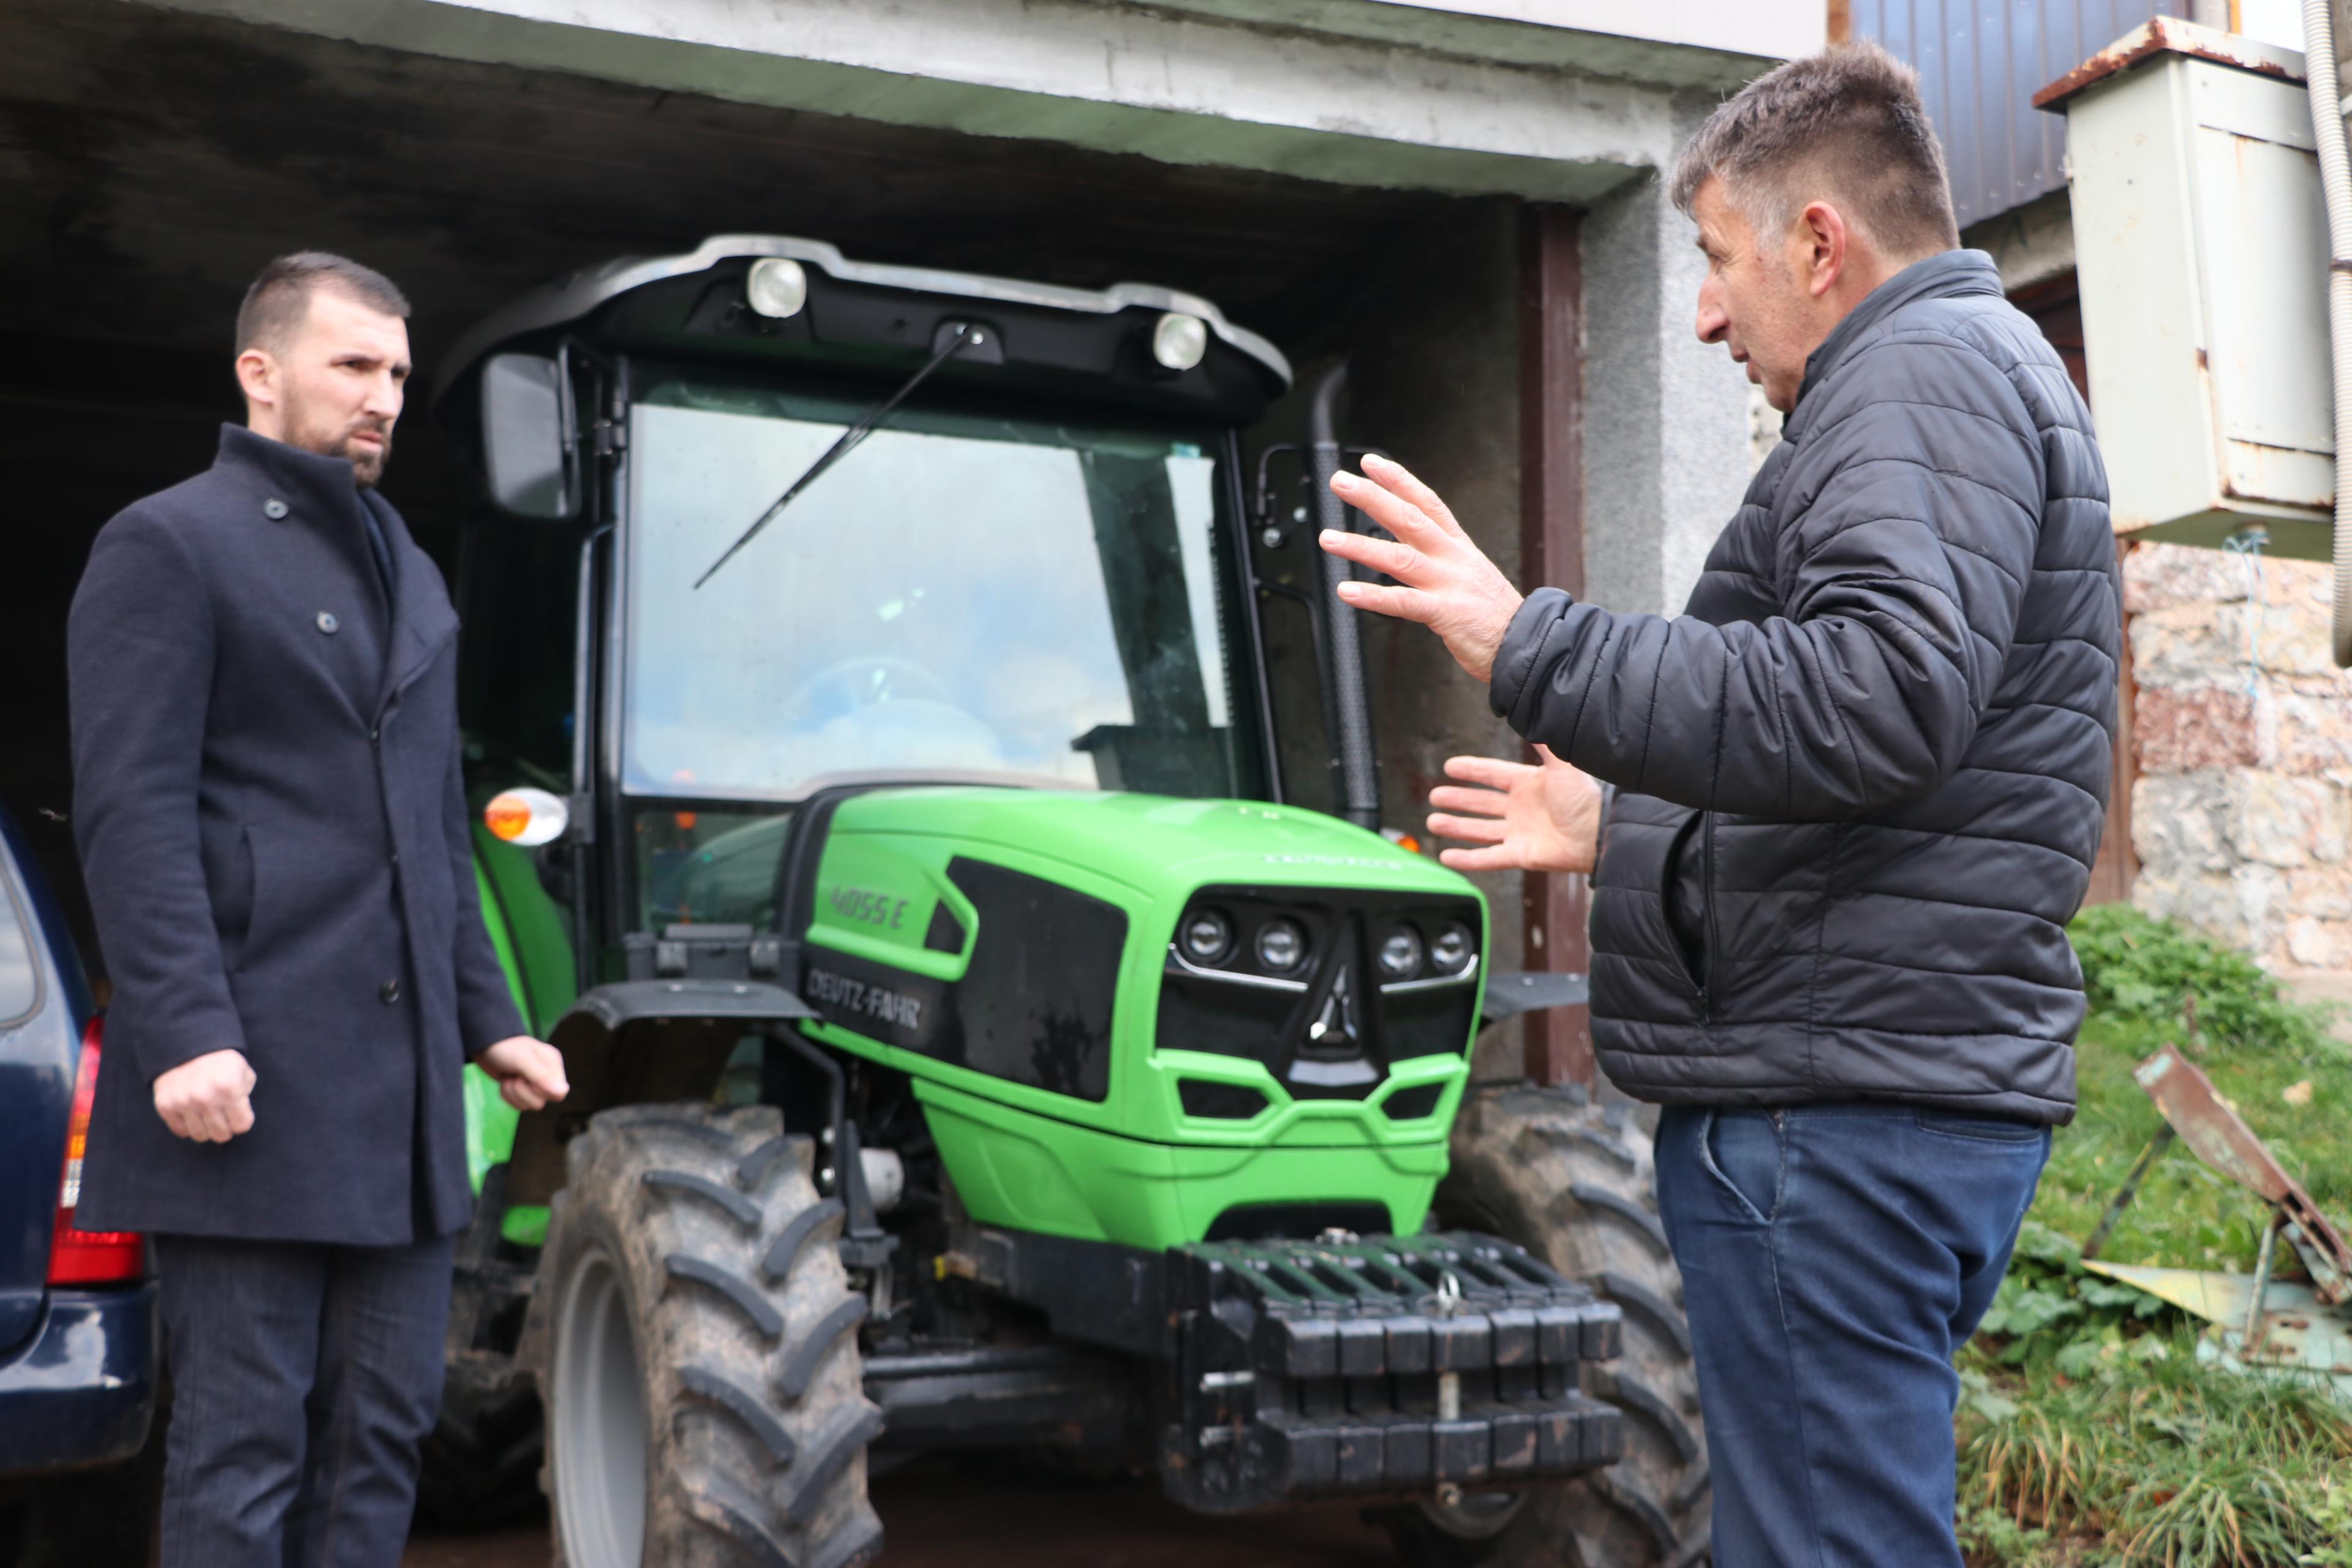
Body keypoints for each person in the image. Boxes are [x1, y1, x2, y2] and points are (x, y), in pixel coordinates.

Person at [1318, 44, 2117, 1568]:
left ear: (1820, 244)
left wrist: (1525, 640)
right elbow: (1894, 782)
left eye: (1714, 259)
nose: (1700, 311)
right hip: (1881, 1087)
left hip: (1839, 1112)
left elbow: (1873, 695)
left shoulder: (1918, 377)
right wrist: (1626, 830)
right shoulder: (1967, 375)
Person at [67, 252, 570, 1567]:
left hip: (400, 1105)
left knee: (382, 1436)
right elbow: (134, 810)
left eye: (398, 372)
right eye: (354, 364)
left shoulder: (405, 555)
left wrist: (490, 1018)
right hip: (249, 1077)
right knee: (245, 1448)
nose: (385, 396)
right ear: (262, 370)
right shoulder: (169, 542)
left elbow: (429, 828)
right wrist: (181, 1029)